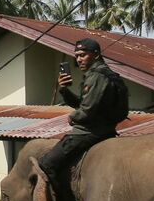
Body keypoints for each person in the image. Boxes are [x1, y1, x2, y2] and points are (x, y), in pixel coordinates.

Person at [39, 38, 128, 189]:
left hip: (89, 132)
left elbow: (86, 111)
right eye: (77, 56)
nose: (79, 59)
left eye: (83, 55)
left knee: (47, 164)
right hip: (103, 129)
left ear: (96, 55)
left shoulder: (97, 76)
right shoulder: (99, 74)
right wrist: (64, 90)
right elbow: (82, 104)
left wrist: (72, 117)